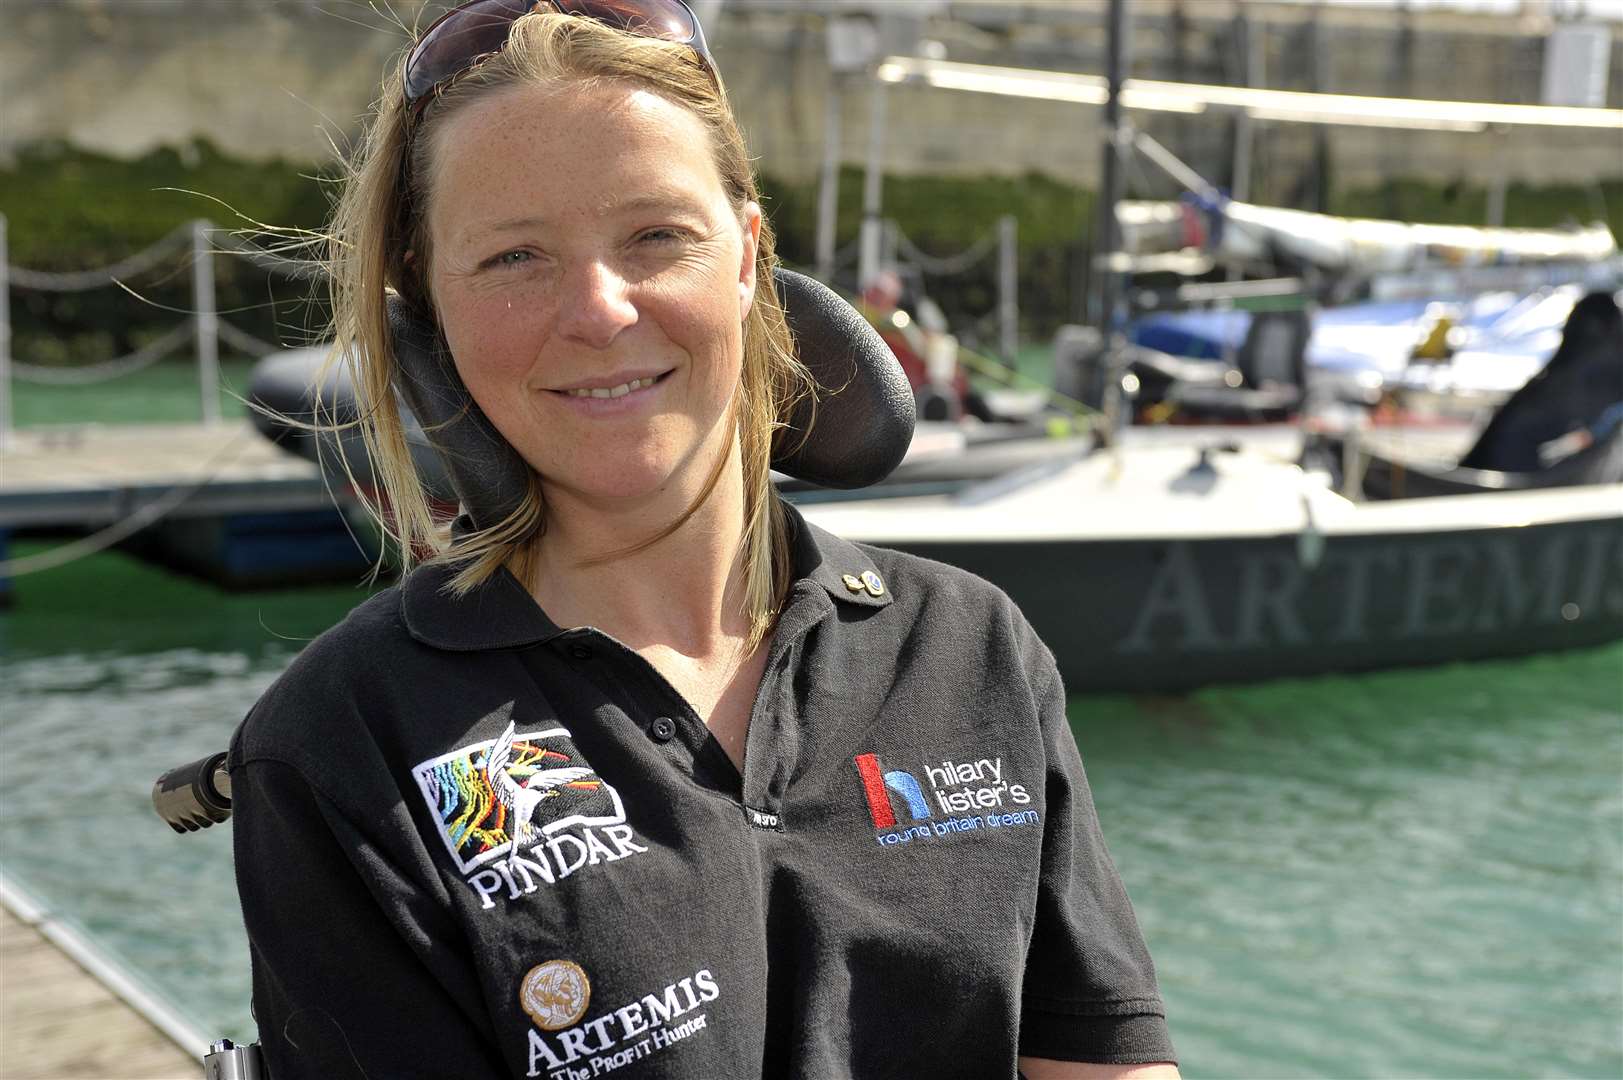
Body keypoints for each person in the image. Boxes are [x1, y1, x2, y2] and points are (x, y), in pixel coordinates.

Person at [228, 2, 1180, 1078]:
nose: (599, 309)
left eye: (656, 237)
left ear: (746, 255)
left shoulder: (969, 647)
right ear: (428, 306)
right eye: (512, 258)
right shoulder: (344, 740)